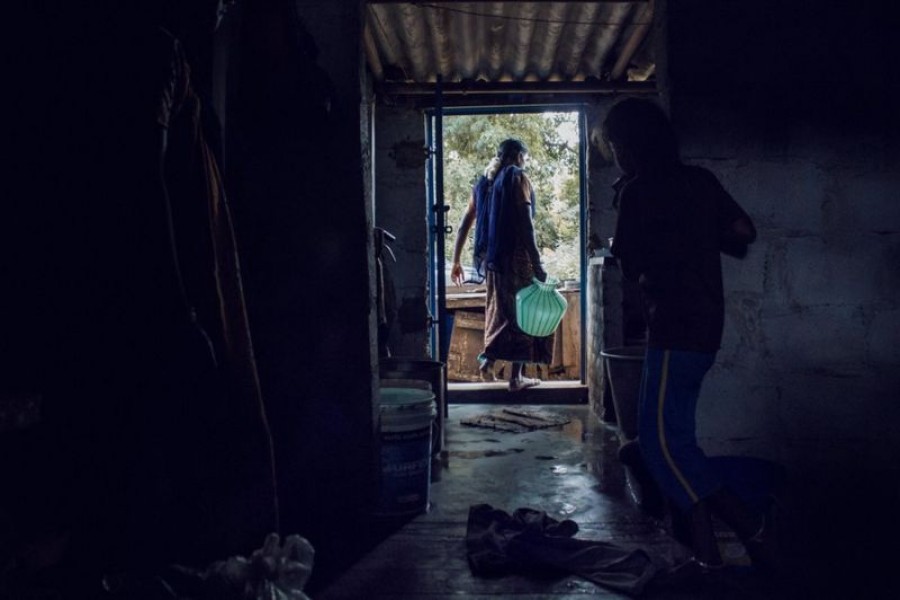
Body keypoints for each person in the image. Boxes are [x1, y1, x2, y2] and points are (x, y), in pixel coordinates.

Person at [601, 98, 777, 576]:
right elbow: (742, 230)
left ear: (631, 147)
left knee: (657, 446)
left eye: (615, 145)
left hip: (673, 329)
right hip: (705, 329)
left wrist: (633, 208)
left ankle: (747, 523)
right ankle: (705, 554)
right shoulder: (699, 181)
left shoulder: (638, 192)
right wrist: (698, 230)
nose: (615, 153)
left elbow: (627, 263)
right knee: (675, 442)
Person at [454, 139, 552, 391]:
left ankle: (487, 361)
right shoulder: (517, 178)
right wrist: (537, 262)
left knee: (501, 314)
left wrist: (456, 260)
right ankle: (516, 378)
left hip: (492, 263)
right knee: (524, 316)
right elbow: (525, 223)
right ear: (519, 156)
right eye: (525, 158)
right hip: (517, 259)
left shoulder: (485, 184)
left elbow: (465, 222)